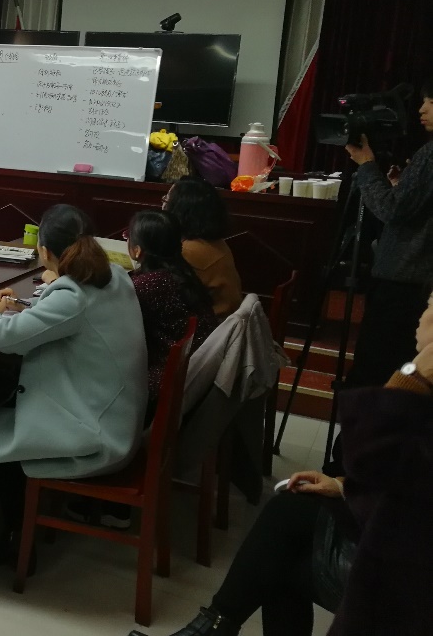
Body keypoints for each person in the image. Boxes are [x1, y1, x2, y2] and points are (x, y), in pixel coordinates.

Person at [148, 293, 433, 636]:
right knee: (287, 518)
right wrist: (342, 486)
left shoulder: (421, 379)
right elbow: (405, 475)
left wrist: (414, 373)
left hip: (412, 570)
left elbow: (368, 459)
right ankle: (213, 626)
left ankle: (212, 627)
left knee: (277, 557)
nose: (421, 316)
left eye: (430, 306)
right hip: (405, 537)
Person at [0, 204, 147, 546]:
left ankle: (13, 537)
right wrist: (28, 307)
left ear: (44, 251)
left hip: (97, 434)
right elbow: (69, 317)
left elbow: (4, 337)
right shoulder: (115, 274)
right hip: (117, 415)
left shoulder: (72, 295)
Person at [340, 82, 433, 389]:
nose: (421, 109)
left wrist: (367, 165)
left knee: (375, 370)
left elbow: (391, 211)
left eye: (431, 102)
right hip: (420, 280)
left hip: (404, 281)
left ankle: (362, 420)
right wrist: (401, 188)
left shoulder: (430, 154)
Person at [127, 210, 220, 415]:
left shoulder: (148, 285)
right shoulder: (182, 271)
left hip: (170, 384)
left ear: (137, 250)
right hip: (198, 374)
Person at [163, 178, 243, 318]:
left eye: (167, 201)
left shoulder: (189, 251)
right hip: (225, 320)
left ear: (182, 210)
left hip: (213, 326)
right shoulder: (212, 241)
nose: (163, 206)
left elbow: (160, 288)